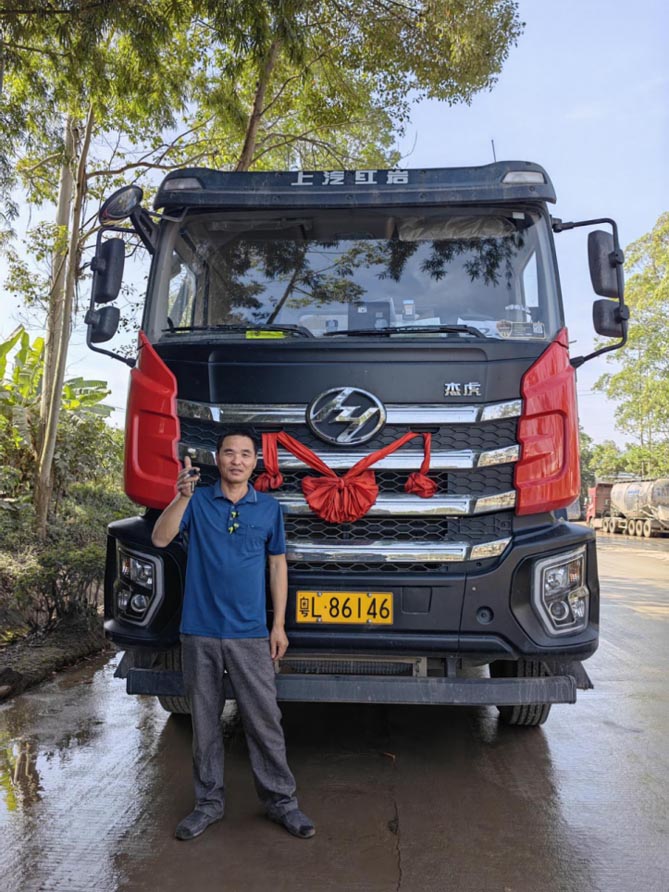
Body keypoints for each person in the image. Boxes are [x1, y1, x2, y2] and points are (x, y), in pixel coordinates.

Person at [151, 427, 315, 841]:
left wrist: (278, 625)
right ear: (218, 458)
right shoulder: (197, 501)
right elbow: (160, 537)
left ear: (254, 462)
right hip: (199, 631)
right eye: (229, 452)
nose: (236, 460)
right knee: (205, 723)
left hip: (250, 634)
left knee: (264, 721)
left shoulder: (268, 509)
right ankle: (208, 804)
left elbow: (277, 566)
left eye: (244, 454)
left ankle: (281, 802)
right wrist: (181, 496)